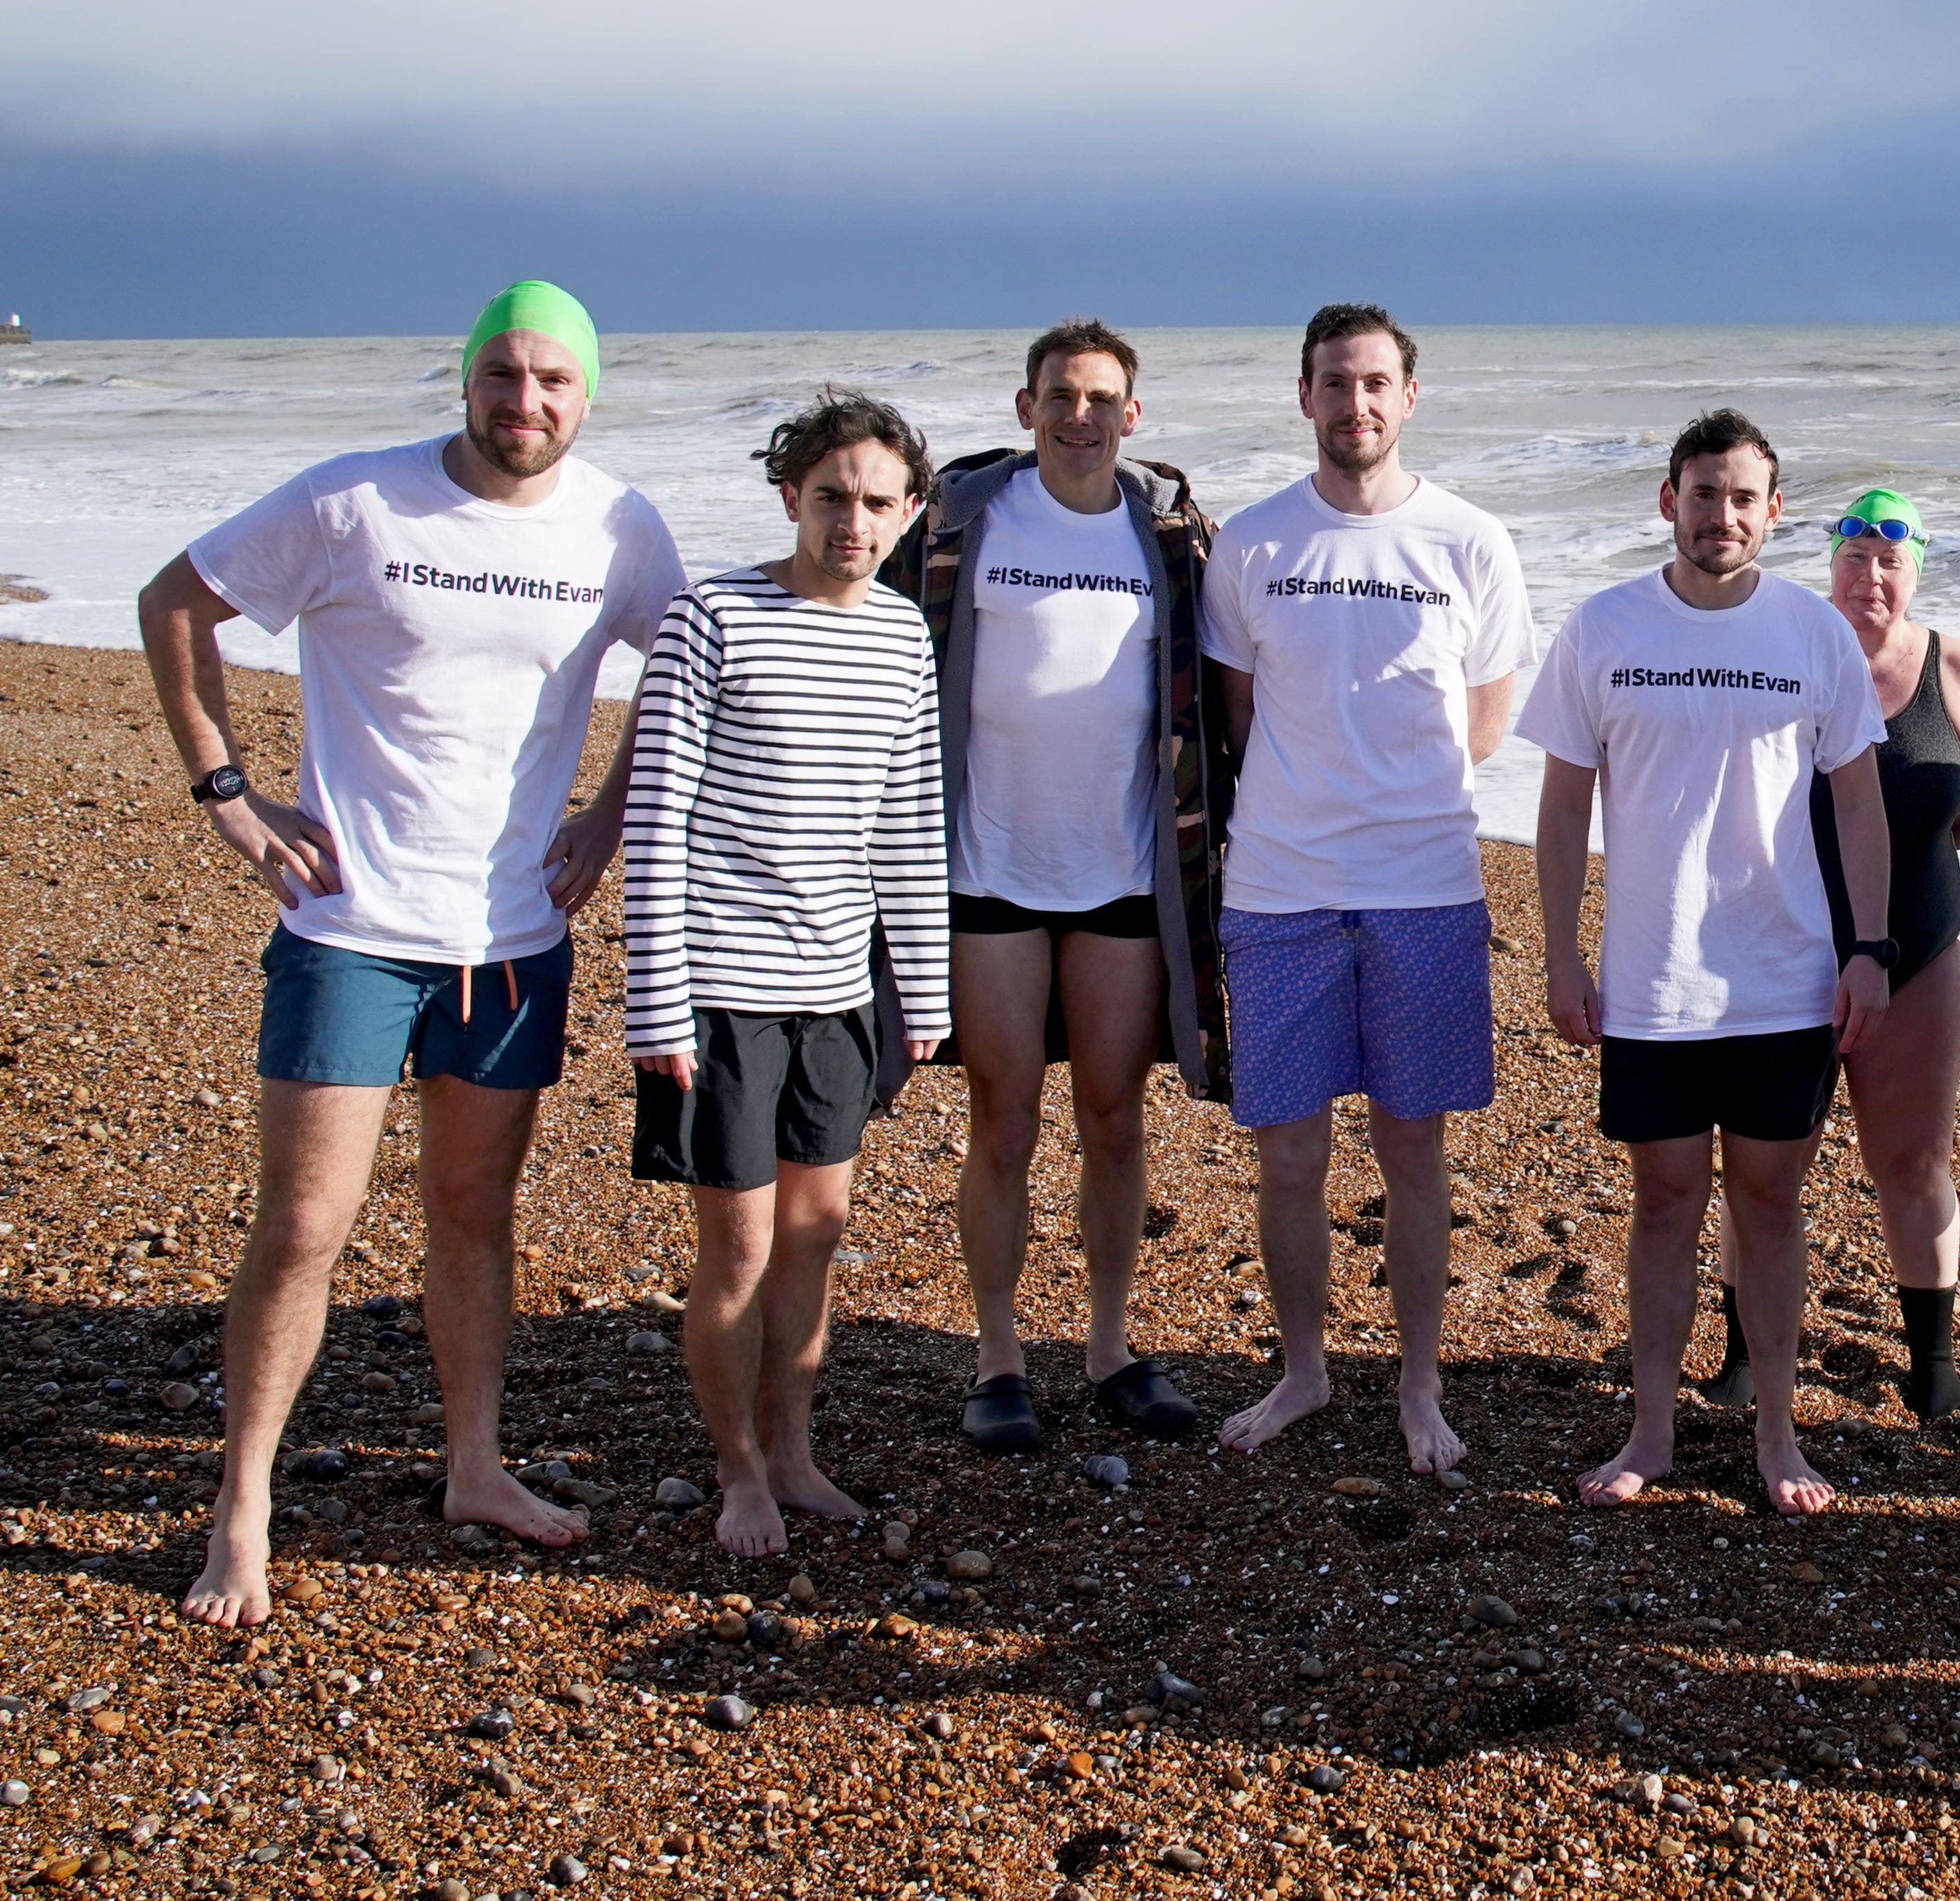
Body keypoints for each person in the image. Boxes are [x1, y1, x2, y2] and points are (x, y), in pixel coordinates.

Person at [138, 281, 683, 1625]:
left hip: (508, 939)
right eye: (504, 373)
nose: (526, 401)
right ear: (465, 379)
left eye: (554, 379)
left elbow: (688, 665)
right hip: (351, 931)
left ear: (588, 393)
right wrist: (232, 798)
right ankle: (243, 1502)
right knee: (307, 1224)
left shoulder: (619, 525)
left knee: (473, 1216)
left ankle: (476, 1467)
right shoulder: (351, 503)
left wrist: (608, 815)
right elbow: (172, 603)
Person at [1522, 410, 1893, 1515]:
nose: (1719, 514)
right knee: (1665, 1201)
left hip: (1785, 974)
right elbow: (1559, 803)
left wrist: (1868, 948)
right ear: (1667, 500)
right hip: (1651, 977)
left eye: (1742, 497)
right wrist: (1559, 954)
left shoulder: (1813, 634)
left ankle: (1778, 1434)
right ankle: (1652, 1432)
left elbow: (1860, 804)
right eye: (1701, 493)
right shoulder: (1601, 626)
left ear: (1773, 512)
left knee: (1771, 1207)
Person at [883, 317, 1235, 1454]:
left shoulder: (1173, 536)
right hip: (987, 867)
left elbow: (1240, 676)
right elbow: (868, 636)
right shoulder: (960, 522)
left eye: (1099, 398)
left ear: (1131, 414)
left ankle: (1108, 1343)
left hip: (1125, 872)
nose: (1078, 415)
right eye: (1058, 396)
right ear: (1025, 405)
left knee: (1115, 1115)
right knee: (1002, 1119)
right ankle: (995, 1355)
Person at [1200, 304, 1531, 1473]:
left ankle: (1421, 1384)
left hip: (1424, 888)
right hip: (1281, 889)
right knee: (1287, 1156)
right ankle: (1302, 1370)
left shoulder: (1470, 540)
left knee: (1412, 1152)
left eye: (1377, 382)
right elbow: (1239, 719)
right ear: (1304, 395)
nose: (1357, 405)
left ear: (1409, 394)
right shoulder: (1251, 543)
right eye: (1335, 383)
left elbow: (1484, 723)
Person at [622, 392, 951, 1558]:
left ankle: (796, 1446)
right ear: (790, 499)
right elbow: (655, 816)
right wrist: (652, 998)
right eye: (830, 498)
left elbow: (910, 821)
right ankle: (740, 1470)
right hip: (721, 986)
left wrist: (926, 987)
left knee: (818, 1231)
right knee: (741, 1247)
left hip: (838, 991)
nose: (850, 522)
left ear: (909, 513)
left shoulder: (903, 632)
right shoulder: (712, 613)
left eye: (874, 502)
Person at [1766, 485, 1960, 1422]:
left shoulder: (1958, 672)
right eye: (1855, 555)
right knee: (1771, 1161)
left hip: (1922, 943)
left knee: (1911, 1160)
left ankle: (1934, 1362)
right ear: (1828, 563)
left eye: (1891, 560)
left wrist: (1925, 844)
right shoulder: (1783, 655)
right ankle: (1747, 1355)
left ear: (1917, 570)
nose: (1872, 574)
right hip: (1786, 945)